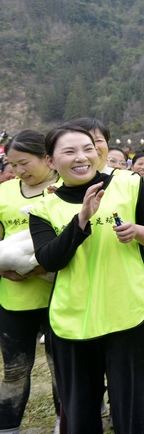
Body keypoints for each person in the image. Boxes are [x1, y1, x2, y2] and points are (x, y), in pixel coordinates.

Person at [30, 125, 144, 434]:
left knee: (134, 409)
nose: (81, 157)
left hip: (128, 313)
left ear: (98, 152)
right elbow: (49, 259)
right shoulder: (43, 208)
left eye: (87, 148)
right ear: (51, 162)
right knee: (80, 412)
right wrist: (81, 220)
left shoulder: (129, 185)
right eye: (69, 152)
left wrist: (138, 232)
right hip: (73, 320)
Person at [0, 130, 61, 432]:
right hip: (14, 296)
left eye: (24, 163)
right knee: (14, 371)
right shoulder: (5, 192)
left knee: (61, 371)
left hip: (60, 296)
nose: (19, 171)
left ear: (46, 158)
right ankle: (8, 427)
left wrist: (41, 266)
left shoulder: (65, 189)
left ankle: (67, 425)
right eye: (12, 165)